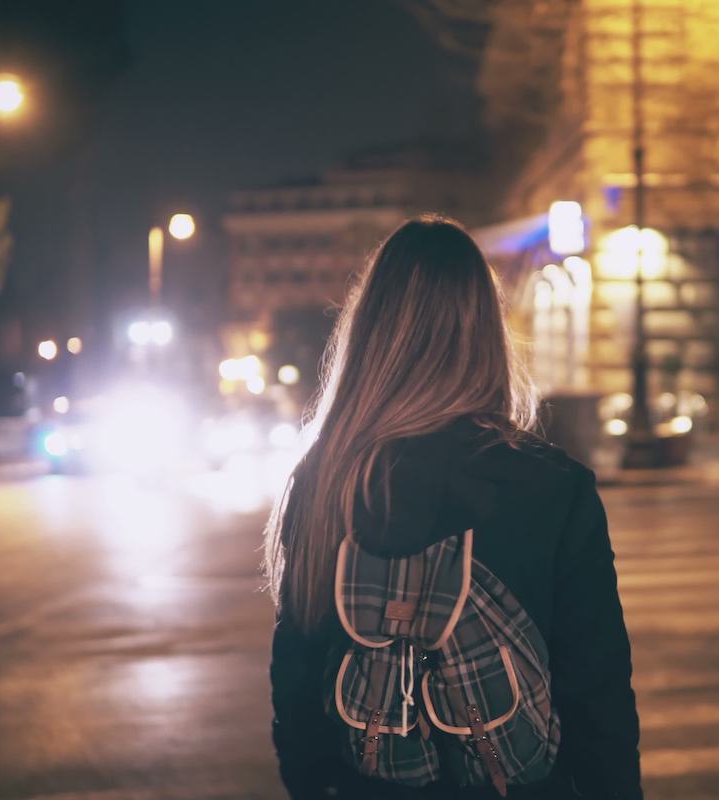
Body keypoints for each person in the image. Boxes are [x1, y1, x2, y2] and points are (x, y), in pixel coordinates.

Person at [264, 216, 643, 799]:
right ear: (484, 331)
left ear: (369, 334)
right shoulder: (552, 487)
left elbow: (296, 696)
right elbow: (598, 699)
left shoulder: (325, 483)